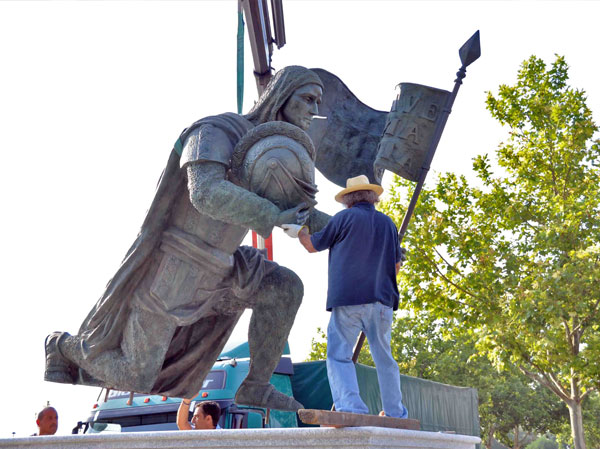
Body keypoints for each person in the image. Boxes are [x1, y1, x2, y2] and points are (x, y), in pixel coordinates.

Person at [45, 66, 330, 412]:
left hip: (226, 269)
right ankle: (64, 346)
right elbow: (206, 193)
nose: (313, 111)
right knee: (135, 378)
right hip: (174, 267)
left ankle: (256, 386)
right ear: (282, 95)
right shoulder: (213, 129)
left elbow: (301, 214)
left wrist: (366, 232)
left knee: (284, 287)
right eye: (308, 99)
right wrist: (271, 215)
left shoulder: (273, 153)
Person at [283, 174, 408, 418]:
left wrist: (299, 232)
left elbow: (311, 246)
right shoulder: (388, 224)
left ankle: (352, 409)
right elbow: (396, 266)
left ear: (348, 199)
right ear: (373, 198)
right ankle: (395, 413)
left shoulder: (344, 218)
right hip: (382, 301)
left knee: (339, 356)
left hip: (348, 299)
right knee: (385, 360)